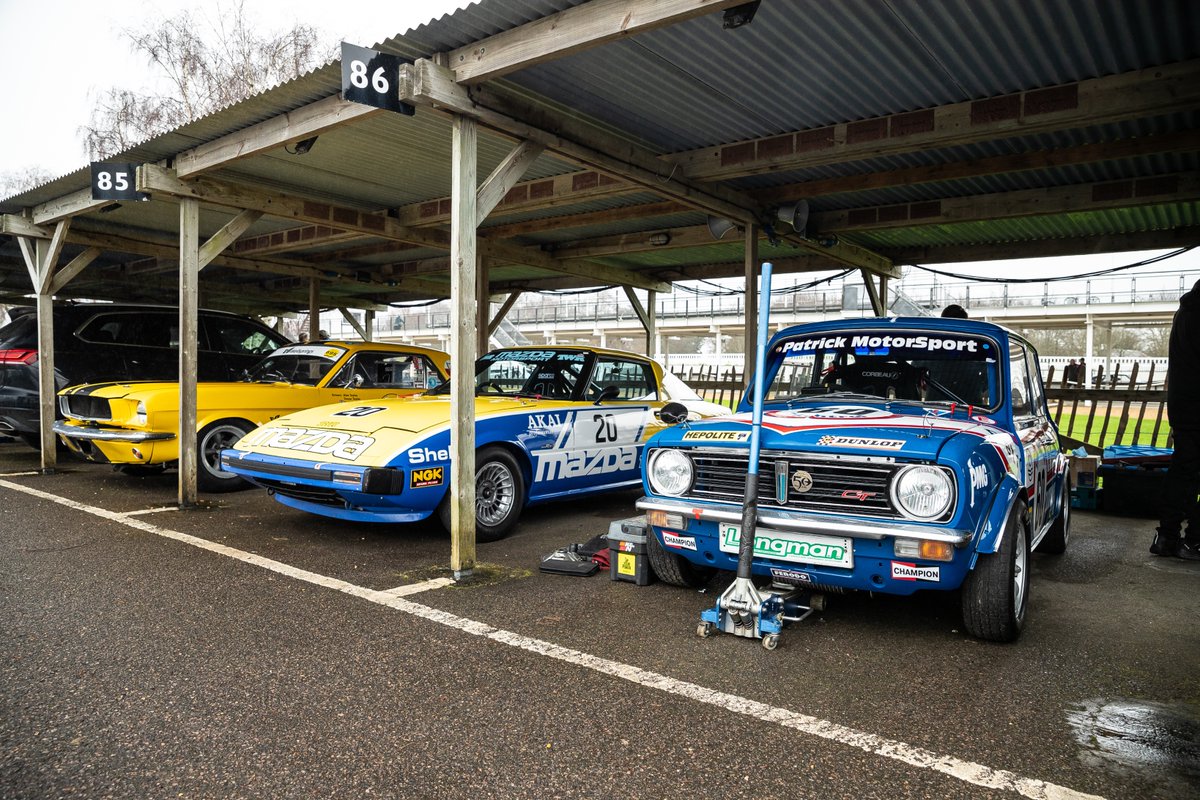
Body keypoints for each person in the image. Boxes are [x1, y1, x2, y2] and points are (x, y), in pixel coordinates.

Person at [1151, 278, 1200, 561]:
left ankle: (1167, 536)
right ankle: (1194, 540)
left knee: (1182, 472)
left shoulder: (1184, 312)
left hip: (1183, 407)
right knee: (1188, 475)